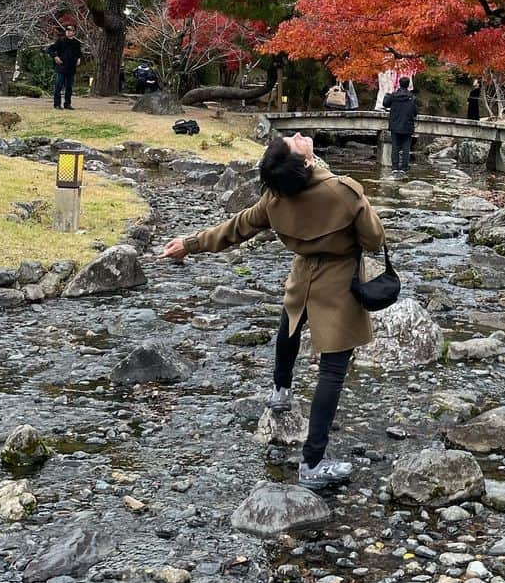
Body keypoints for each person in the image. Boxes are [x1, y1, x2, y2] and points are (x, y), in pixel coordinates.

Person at [161, 133, 385, 488]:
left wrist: (189, 244)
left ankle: (281, 390)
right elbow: (374, 239)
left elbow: (235, 229)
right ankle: (312, 462)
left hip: (302, 275)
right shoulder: (344, 192)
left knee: (290, 326)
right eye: (294, 143)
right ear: (307, 163)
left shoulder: (274, 199)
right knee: (332, 371)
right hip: (340, 282)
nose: (296, 136)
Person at [383, 75, 417, 174]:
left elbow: (385, 104)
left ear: (399, 84)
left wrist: (387, 94)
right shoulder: (412, 97)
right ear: (408, 85)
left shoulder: (393, 96)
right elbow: (415, 112)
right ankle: (404, 168)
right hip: (407, 125)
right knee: (406, 148)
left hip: (395, 124)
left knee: (395, 147)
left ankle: (394, 168)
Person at [47, 23, 83, 110]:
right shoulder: (61, 41)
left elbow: (79, 53)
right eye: (67, 30)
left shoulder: (76, 43)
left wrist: (79, 59)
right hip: (61, 67)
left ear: (74, 32)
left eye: (70, 30)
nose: (68, 32)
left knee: (69, 88)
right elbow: (51, 49)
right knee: (58, 86)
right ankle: (57, 104)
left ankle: (67, 104)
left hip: (71, 68)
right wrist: (55, 57)